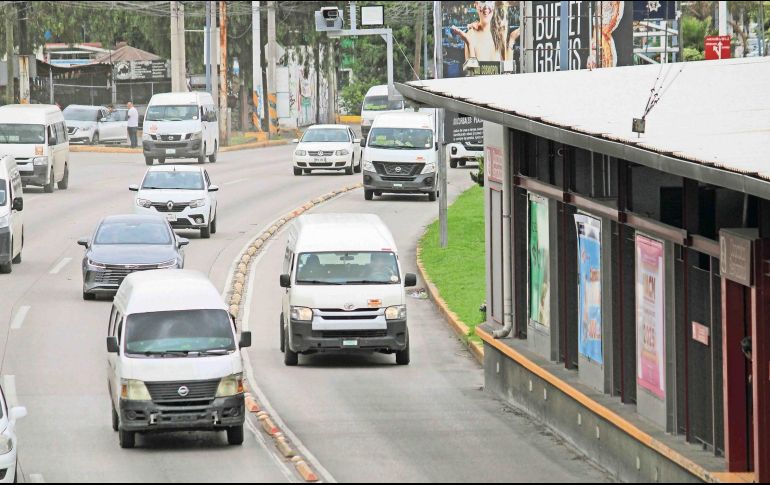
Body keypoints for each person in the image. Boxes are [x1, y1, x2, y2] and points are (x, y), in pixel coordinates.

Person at [451, 1, 520, 64]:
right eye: (482, 1)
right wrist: (469, 43)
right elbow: (471, 71)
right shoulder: (471, 34)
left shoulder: (500, 34)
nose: (486, 6)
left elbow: (508, 70)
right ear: (476, 5)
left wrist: (512, 39)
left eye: (490, 1)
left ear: (494, 5)